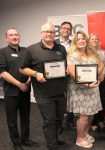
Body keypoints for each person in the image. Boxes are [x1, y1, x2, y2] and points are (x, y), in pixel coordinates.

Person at [19, 22, 67, 150]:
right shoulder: (32, 49)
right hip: (43, 93)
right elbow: (23, 69)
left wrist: (66, 70)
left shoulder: (61, 48)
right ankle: (52, 146)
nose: (49, 34)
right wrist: (35, 73)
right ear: (41, 33)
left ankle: (55, 138)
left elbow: (65, 65)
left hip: (60, 91)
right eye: (46, 31)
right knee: (49, 120)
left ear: (54, 33)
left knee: (58, 118)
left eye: (51, 31)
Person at [0, 28, 38, 150]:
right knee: (12, 119)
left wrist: (28, 81)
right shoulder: (2, 52)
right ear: (7, 38)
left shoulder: (26, 51)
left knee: (25, 117)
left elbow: (32, 68)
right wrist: (19, 84)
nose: (14, 37)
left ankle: (25, 139)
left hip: (26, 90)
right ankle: (16, 143)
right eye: (11, 35)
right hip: (11, 92)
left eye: (16, 34)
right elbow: (3, 72)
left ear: (19, 37)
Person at [67, 31, 104, 148]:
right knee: (83, 115)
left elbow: (101, 64)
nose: (81, 41)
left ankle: (85, 133)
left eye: (83, 38)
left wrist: (96, 77)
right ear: (75, 42)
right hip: (80, 89)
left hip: (93, 88)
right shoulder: (73, 55)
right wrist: (87, 84)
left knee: (91, 113)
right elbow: (73, 73)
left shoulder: (91, 52)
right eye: (78, 39)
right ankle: (79, 138)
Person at [55, 21, 74, 130]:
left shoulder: (73, 43)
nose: (66, 30)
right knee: (59, 99)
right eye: (64, 28)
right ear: (60, 29)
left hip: (70, 75)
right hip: (58, 76)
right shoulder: (54, 42)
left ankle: (70, 121)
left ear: (71, 31)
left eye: (68, 28)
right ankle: (59, 122)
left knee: (70, 97)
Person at [89, 33, 105, 131]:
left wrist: (103, 75)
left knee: (101, 99)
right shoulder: (86, 52)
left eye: (96, 39)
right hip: (90, 80)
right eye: (92, 39)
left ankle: (101, 120)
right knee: (93, 101)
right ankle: (93, 122)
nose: (94, 41)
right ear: (89, 41)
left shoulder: (103, 52)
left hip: (101, 79)